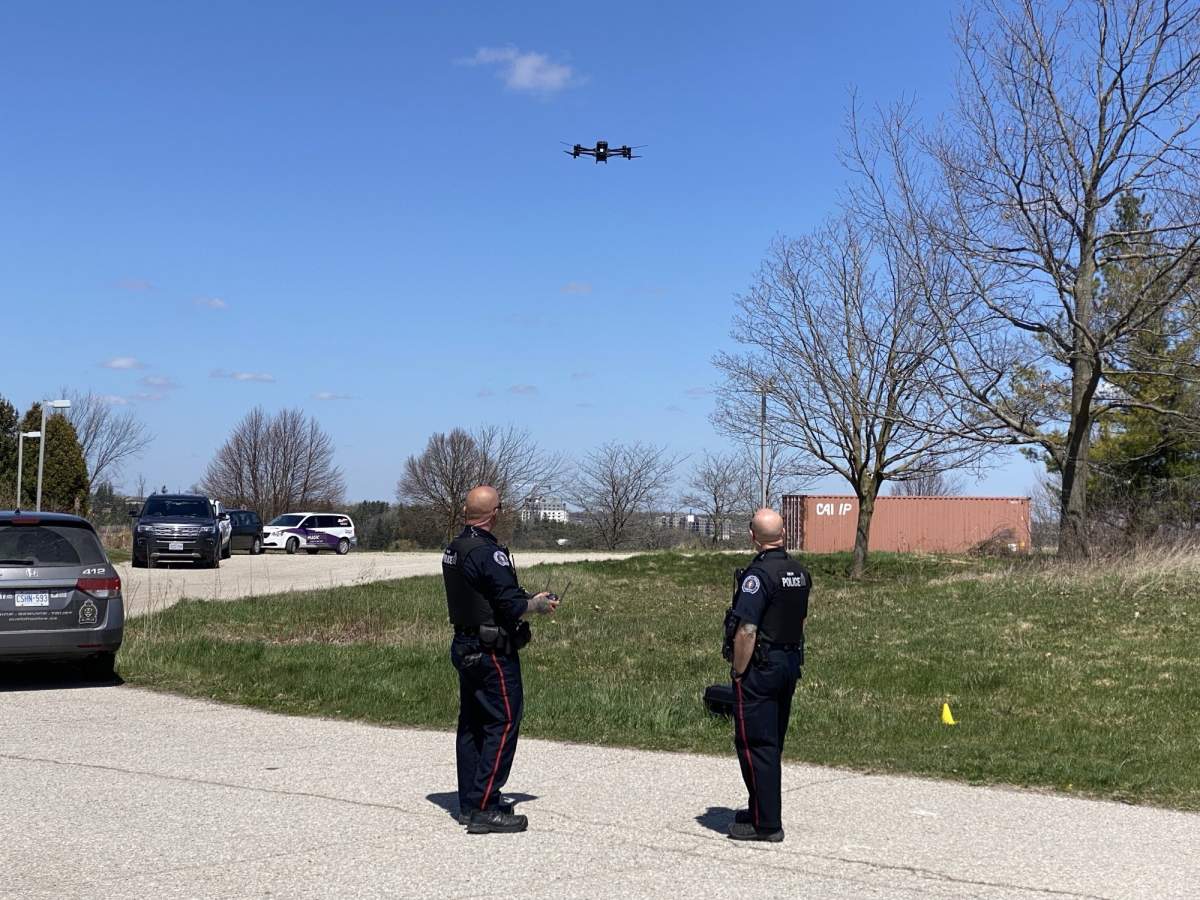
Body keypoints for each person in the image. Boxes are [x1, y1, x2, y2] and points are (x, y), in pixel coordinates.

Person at [442, 484, 560, 834]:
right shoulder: (487, 552)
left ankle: (471, 801)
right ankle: (484, 807)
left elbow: (488, 593)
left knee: (473, 724)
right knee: (504, 721)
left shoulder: (456, 547)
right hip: (491, 651)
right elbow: (509, 605)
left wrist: (523, 595)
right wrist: (537, 605)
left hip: (465, 645)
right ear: (495, 513)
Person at [722, 507, 810, 842]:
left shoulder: (758, 576)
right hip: (789, 663)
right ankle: (760, 807)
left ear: (753, 536)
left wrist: (738, 671)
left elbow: (747, 629)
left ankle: (767, 824)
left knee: (755, 743)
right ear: (783, 533)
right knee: (772, 740)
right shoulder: (798, 572)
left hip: (761, 666)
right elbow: (800, 621)